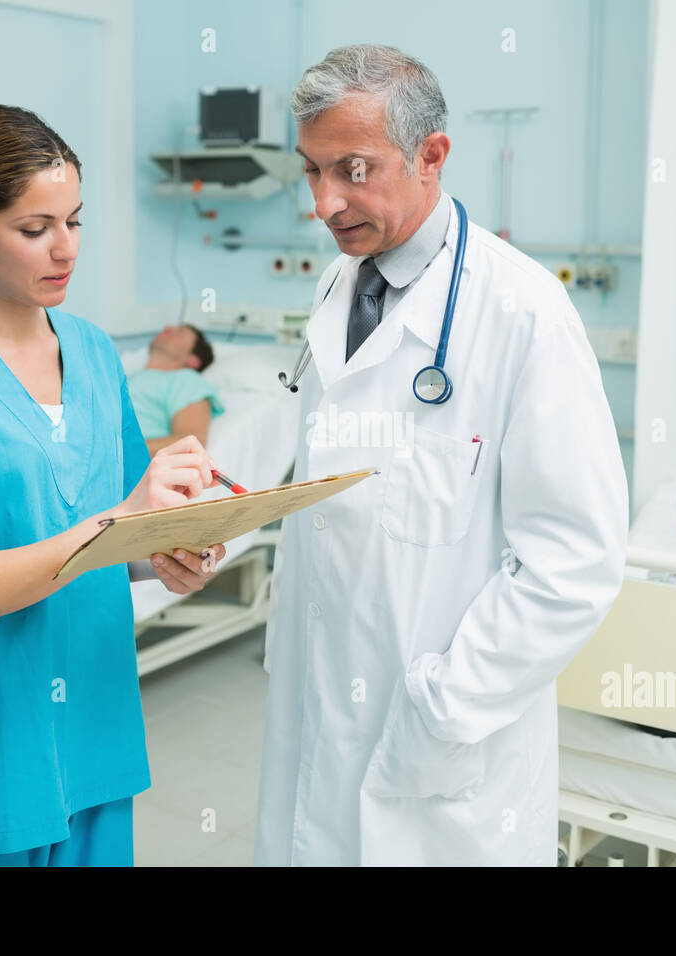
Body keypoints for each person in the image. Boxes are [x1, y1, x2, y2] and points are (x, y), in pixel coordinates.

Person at [255, 45, 629, 866]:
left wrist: (442, 710)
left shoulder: (524, 311)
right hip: (321, 706)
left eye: (353, 169)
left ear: (432, 155)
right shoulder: (337, 283)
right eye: (312, 171)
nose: (325, 202)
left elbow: (575, 563)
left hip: (440, 746)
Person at [0, 105, 228, 867]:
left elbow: (116, 532)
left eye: (76, 221)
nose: (66, 249)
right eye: (35, 228)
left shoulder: (90, 352)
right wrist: (119, 523)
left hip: (91, 714)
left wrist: (167, 554)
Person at [126, 323, 225, 455]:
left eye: (180, 333)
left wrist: (117, 449)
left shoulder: (187, 380)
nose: (167, 328)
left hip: (119, 462)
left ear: (193, 360)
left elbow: (190, 445)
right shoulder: (125, 377)